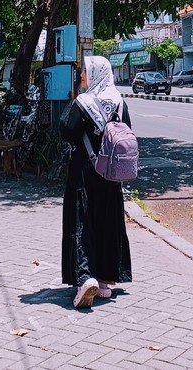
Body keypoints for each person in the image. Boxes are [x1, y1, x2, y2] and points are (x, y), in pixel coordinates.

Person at [61, 55, 132, 309]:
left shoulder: (84, 102)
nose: (81, 75)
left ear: (95, 74)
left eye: (85, 71)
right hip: (111, 173)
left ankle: (84, 278)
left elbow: (67, 131)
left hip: (84, 171)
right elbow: (127, 131)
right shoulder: (119, 101)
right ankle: (104, 282)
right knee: (107, 222)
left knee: (82, 221)